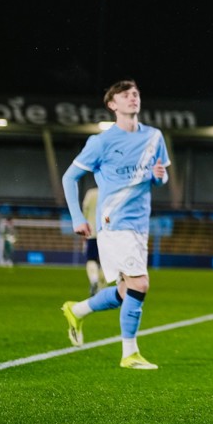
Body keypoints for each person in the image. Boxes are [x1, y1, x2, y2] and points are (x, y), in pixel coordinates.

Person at [60, 80, 170, 370]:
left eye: (135, 93)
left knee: (125, 291)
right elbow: (69, 178)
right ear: (112, 104)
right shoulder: (101, 142)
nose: (132, 98)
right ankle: (129, 353)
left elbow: (160, 177)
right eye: (125, 95)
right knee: (140, 283)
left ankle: (77, 310)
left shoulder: (154, 137)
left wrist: (160, 176)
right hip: (114, 222)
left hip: (140, 224)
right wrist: (77, 217)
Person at [81, 187, 107, 296]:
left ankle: (94, 279)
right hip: (107, 233)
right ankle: (101, 288)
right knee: (105, 261)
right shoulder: (111, 191)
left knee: (91, 259)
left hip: (92, 231)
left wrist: (84, 231)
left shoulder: (91, 193)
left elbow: (84, 211)